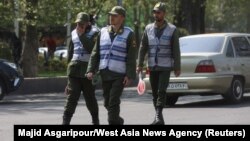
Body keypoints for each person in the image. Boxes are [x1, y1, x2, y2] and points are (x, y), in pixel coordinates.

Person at [86, 6, 137, 125]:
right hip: (105, 73)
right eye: (110, 15)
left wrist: (129, 75)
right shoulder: (102, 32)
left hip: (119, 74)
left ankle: (113, 121)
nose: (111, 17)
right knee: (107, 103)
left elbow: (131, 57)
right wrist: (91, 70)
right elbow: (95, 53)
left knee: (113, 102)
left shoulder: (129, 34)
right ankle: (118, 120)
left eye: (115, 15)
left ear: (122, 18)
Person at [137, 2, 181, 125]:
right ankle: (159, 118)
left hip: (165, 66)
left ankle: (158, 116)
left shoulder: (172, 29)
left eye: (158, 12)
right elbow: (143, 47)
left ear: (164, 13)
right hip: (152, 66)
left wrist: (177, 67)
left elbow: (176, 50)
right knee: (155, 93)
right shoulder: (148, 28)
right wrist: (139, 64)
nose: (156, 14)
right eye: (155, 12)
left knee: (162, 91)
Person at [62, 12, 99, 125]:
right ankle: (65, 123)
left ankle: (95, 121)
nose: (79, 26)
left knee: (90, 99)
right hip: (74, 71)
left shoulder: (96, 33)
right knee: (71, 98)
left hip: (88, 71)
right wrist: (68, 82)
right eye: (78, 24)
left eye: (82, 24)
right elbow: (70, 54)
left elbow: (93, 50)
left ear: (88, 23)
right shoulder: (73, 33)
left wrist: (82, 35)